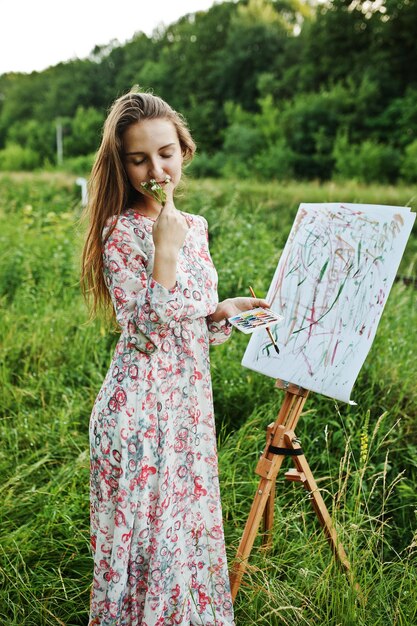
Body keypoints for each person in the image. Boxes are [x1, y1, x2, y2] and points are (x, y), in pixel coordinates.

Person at [80, 89, 269, 626]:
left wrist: (221, 312)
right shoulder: (121, 231)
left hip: (186, 412)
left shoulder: (198, 228)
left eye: (165, 153)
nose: (154, 169)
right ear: (123, 164)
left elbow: (186, 324)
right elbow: (141, 330)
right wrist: (163, 248)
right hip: (139, 413)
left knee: (181, 536)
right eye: (138, 159)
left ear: (184, 150)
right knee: (146, 546)